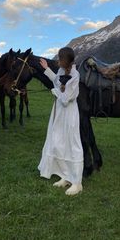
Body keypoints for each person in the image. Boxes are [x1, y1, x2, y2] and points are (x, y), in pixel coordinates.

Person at [38, 47, 84, 196]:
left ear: (66, 60)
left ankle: (77, 182)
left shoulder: (75, 75)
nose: (58, 61)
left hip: (69, 113)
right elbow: (57, 81)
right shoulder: (62, 71)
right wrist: (46, 69)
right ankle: (66, 175)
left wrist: (55, 91)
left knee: (72, 144)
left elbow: (65, 99)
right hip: (59, 113)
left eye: (60, 58)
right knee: (59, 142)